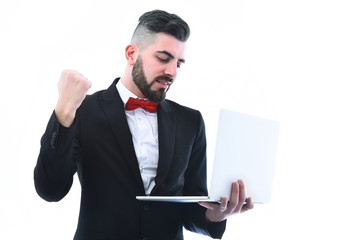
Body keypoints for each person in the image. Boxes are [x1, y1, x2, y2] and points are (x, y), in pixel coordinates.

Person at [34, 9, 254, 240]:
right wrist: (64, 112)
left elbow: (190, 209)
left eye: (179, 63)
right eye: (163, 58)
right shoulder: (84, 110)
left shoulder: (191, 121)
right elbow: (51, 189)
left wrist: (217, 215)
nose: (172, 72)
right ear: (131, 54)